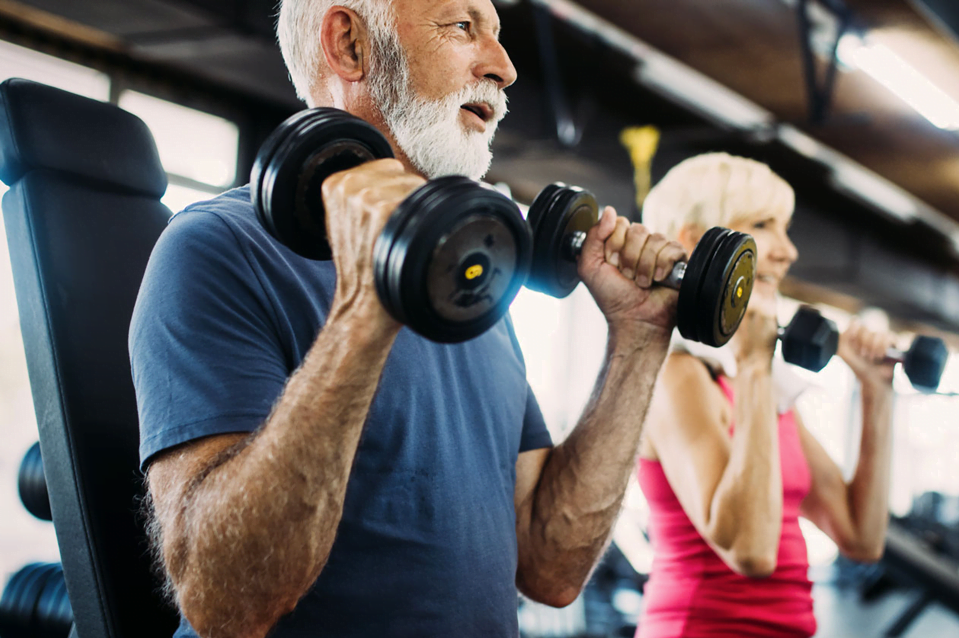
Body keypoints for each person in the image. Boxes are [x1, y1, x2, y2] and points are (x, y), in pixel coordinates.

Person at [129, 1, 689, 637]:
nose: (505, 68)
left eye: (498, 36)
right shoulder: (217, 249)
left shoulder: (472, 282)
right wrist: (365, 312)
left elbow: (550, 566)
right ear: (350, 45)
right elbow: (223, 603)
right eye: (462, 26)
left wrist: (639, 339)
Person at [635, 153, 895, 637]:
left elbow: (861, 537)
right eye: (763, 225)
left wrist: (877, 393)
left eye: (785, 227)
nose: (788, 250)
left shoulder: (760, 390)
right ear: (697, 241)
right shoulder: (679, 376)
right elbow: (750, 550)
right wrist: (754, 363)